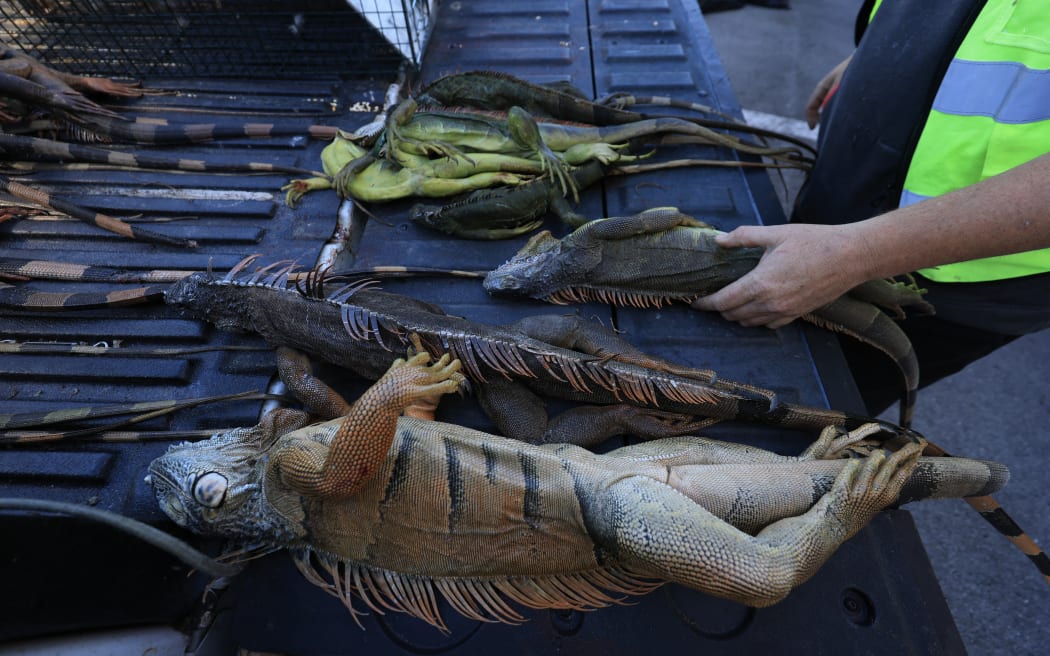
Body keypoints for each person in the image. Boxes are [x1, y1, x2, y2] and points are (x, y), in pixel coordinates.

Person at [694, 0, 1050, 417]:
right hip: (843, 215)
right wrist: (889, 52)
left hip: (948, 278)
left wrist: (859, 251)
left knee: (763, 413)